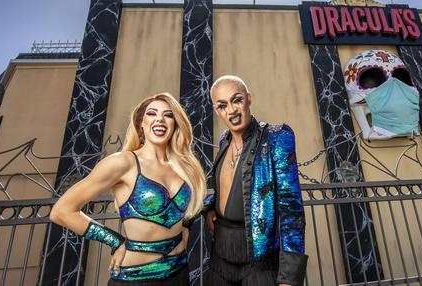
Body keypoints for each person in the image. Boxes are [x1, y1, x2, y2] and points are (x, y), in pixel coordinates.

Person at [50, 93, 206, 285]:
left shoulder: (182, 166)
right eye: (152, 113)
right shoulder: (123, 163)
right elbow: (61, 211)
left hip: (179, 272)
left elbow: (198, 200)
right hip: (136, 278)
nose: (160, 119)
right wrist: (114, 241)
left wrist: (186, 225)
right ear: (141, 122)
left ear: (175, 123)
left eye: (168, 115)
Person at [206, 75, 308, 286]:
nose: (232, 110)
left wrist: (289, 277)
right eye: (223, 105)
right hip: (220, 254)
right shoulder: (224, 140)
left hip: (259, 259)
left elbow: (291, 209)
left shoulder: (277, 137)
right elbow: (218, 185)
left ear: (248, 98)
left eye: (237, 100)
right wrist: (208, 208)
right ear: (217, 111)